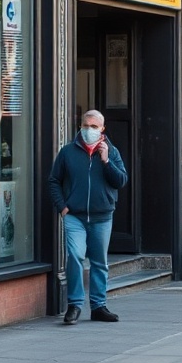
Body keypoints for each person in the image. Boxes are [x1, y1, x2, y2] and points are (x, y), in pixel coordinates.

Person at [49, 109, 129, 324]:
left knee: (99, 262)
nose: (89, 130)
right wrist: (62, 207)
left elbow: (121, 181)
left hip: (102, 216)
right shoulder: (67, 152)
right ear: (80, 126)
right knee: (74, 256)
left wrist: (105, 161)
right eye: (85, 125)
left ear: (102, 129)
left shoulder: (112, 152)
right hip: (74, 215)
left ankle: (98, 306)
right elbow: (54, 180)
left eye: (94, 127)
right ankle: (74, 305)